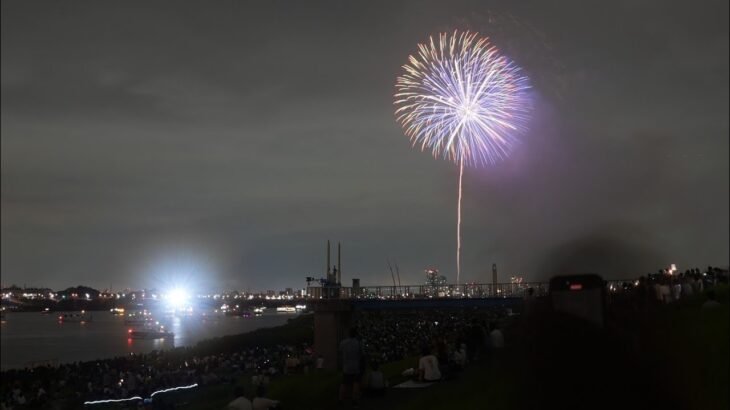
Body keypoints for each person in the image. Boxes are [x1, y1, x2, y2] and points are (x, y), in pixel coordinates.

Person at [339, 328, 363, 407]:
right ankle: (354, 399)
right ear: (355, 334)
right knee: (356, 383)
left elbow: (340, 352)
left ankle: (341, 399)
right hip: (356, 366)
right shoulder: (358, 343)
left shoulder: (343, 343)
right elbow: (361, 354)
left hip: (346, 366)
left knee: (344, 383)